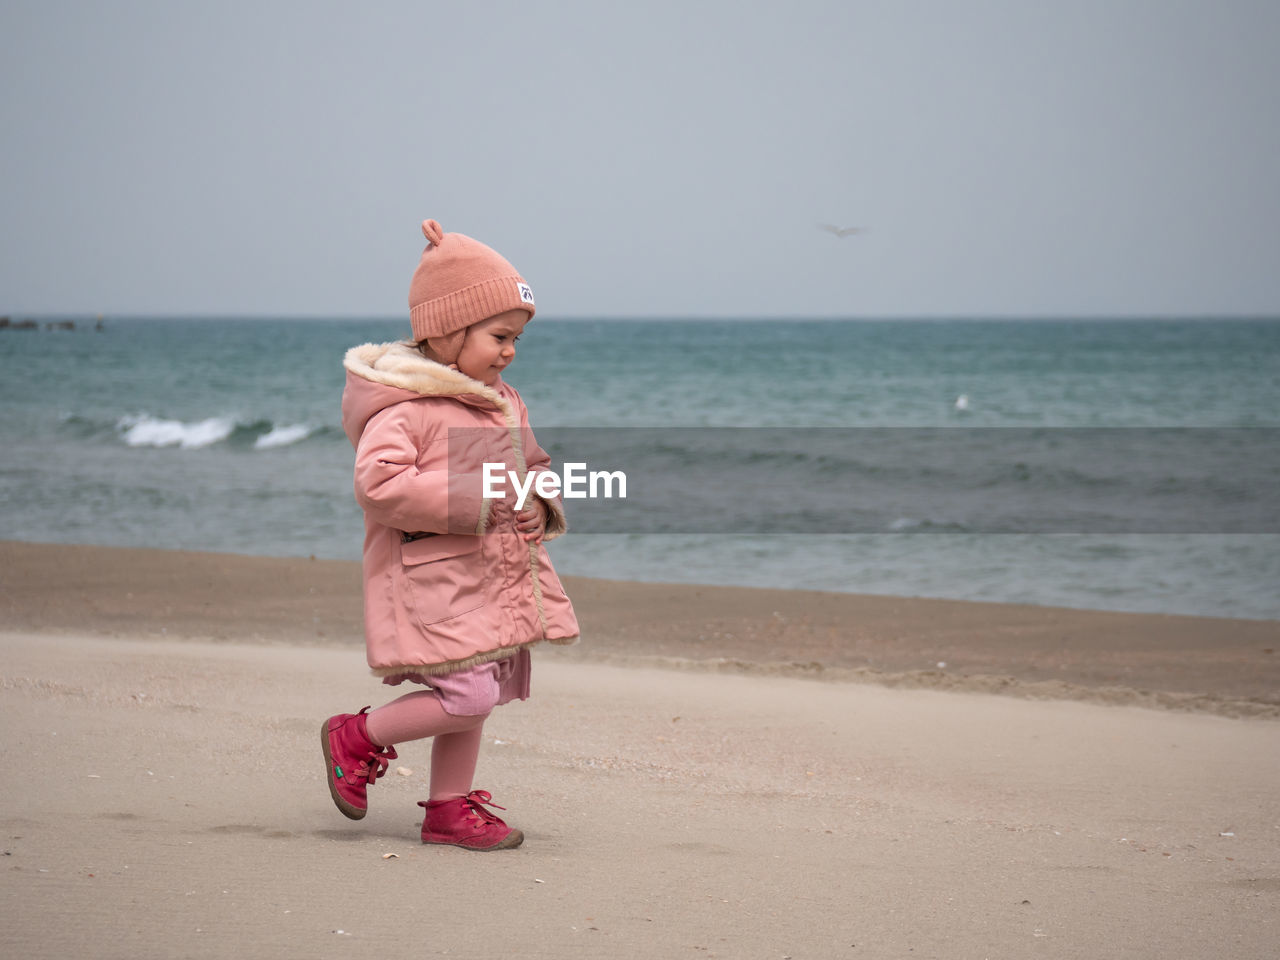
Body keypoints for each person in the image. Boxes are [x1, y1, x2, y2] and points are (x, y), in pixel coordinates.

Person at [322, 218, 579, 851]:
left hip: (490, 573)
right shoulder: (406, 407)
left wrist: (534, 507)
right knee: (466, 696)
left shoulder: (503, 400)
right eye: (498, 336)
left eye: (517, 338)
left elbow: (533, 468)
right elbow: (378, 484)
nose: (510, 351)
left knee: (477, 685)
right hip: (434, 576)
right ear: (445, 331)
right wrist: (477, 502)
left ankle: (446, 808)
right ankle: (356, 736)